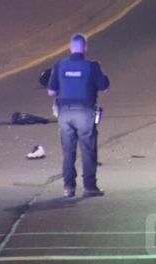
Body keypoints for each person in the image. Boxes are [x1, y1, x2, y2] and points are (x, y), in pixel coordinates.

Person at [47, 34, 110, 198]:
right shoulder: (91, 66)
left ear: (70, 48)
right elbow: (104, 87)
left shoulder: (60, 65)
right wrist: (101, 72)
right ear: (85, 48)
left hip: (64, 112)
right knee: (88, 149)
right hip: (84, 111)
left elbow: (51, 91)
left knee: (68, 151)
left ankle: (69, 187)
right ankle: (89, 186)